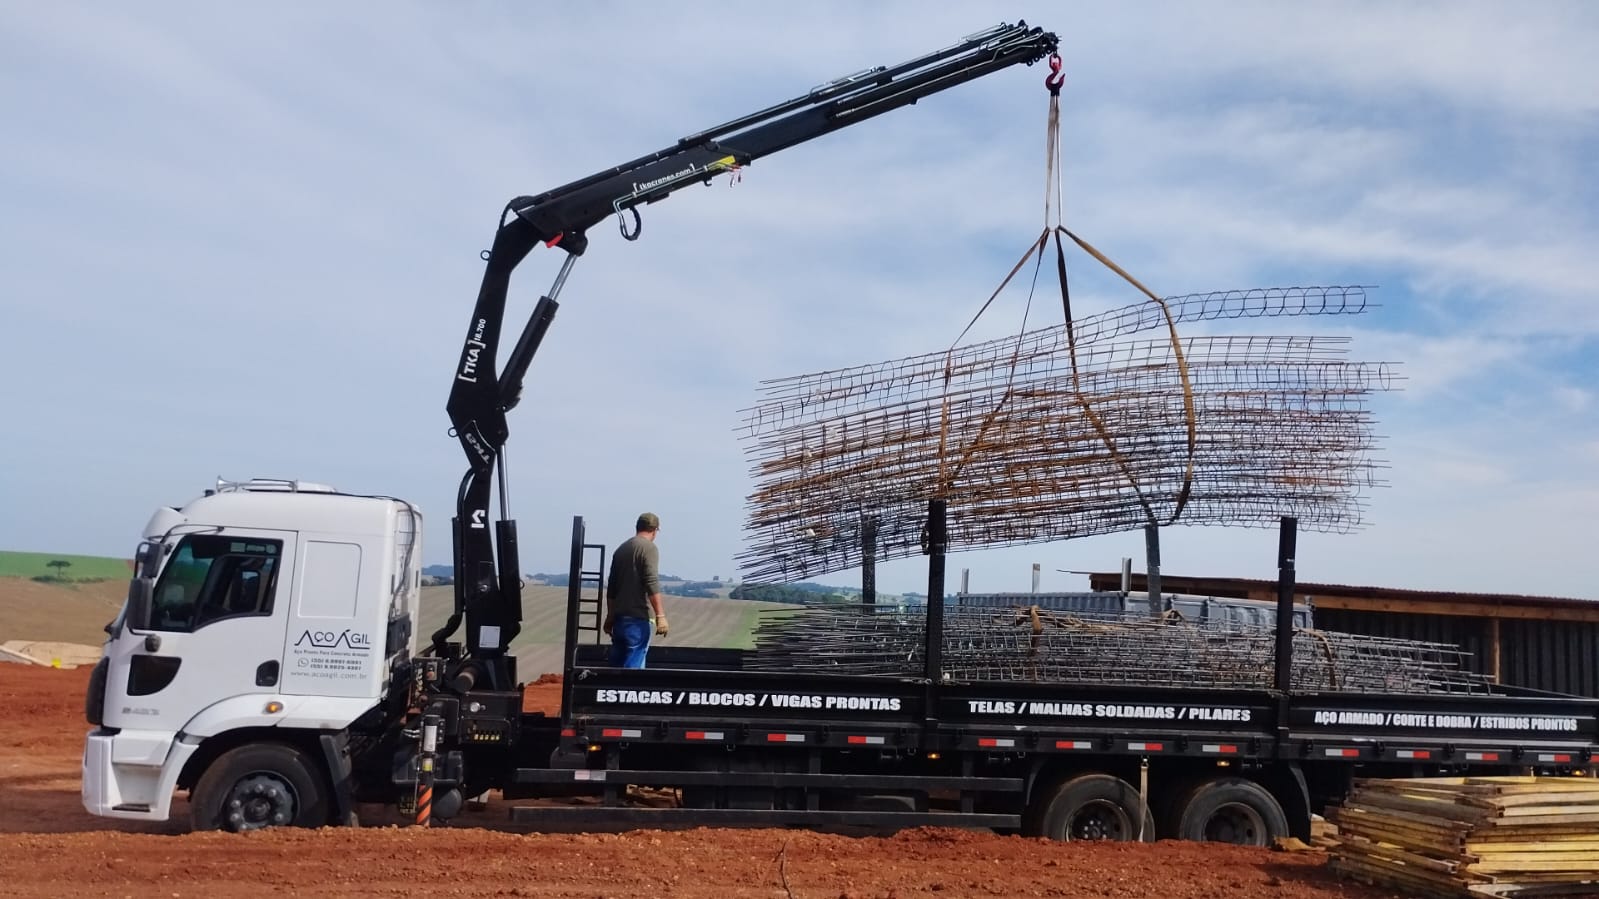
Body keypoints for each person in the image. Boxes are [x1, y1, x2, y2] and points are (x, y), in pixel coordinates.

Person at [603, 512, 669, 668]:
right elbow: (651, 581)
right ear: (655, 530)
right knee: (633, 672)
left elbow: (611, 587)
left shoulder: (621, 549)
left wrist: (610, 616)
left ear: (637, 527)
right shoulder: (649, 548)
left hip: (619, 621)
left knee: (616, 669)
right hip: (638, 620)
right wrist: (660, 615)